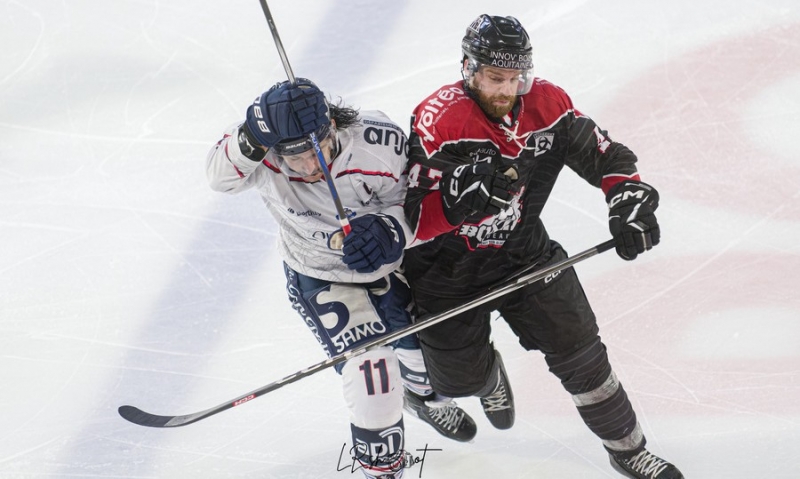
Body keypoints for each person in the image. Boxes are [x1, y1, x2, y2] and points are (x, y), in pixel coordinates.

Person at [402, 14, 684, 479]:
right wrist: (454, 205)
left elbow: (605, 155)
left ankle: (628, 450)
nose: (507, 90)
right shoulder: (439, 119)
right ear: (468, 68)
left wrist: (626, 196)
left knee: (583, 354)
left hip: (524, 254)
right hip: (445, 270)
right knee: (460, 379)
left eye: (517, 78)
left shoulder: (547, 104)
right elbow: (411, 219)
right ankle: (479, 376)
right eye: (496, 78)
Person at [206, 78, 476, 479]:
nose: (311, 166)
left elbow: (415, 201)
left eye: (318, 149)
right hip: (319, 274)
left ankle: (425, 399)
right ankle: (384, 472)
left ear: (331, 125)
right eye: (295, 157)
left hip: (389, 265)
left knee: (428, 362)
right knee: (373, 375)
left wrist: (390, 229)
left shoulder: (378, 139)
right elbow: (219, 178)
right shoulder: (262, 155)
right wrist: (250, 132)